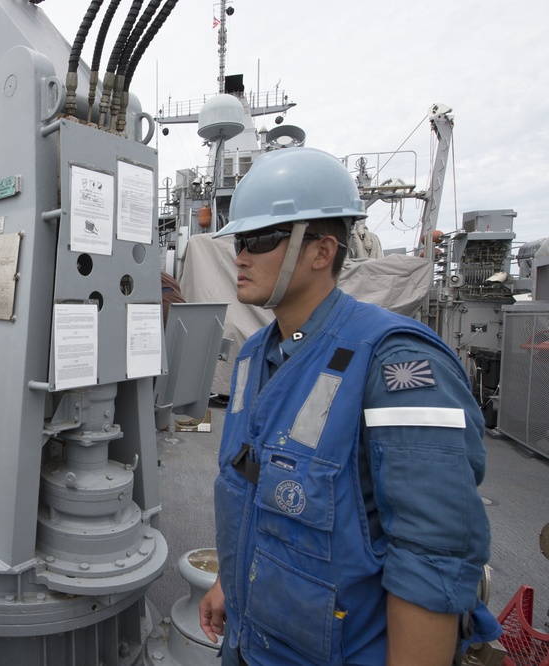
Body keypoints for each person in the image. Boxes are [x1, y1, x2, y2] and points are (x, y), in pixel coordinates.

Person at [196, 147, 493, 665]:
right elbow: (247, 487)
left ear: (321, 252)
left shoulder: (395, 362)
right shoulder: (251, 357)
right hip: (249, 645)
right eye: (240, 240)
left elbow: (432, 559)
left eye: (261, 239)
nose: (240, 255)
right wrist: (228, 580)